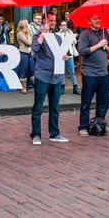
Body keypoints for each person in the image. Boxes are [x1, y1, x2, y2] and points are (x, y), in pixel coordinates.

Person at [30, 12, 69, 144]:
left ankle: (55, 133)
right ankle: (36, 134)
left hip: (56, 76)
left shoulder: (58, 38)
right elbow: (34, 48)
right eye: (49, 21)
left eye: (53, 21)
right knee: (38, 106)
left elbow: (64, 53)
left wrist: (64, 56)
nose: (51, 23)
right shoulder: (37, 36)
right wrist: (43, 32)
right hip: (42, 75)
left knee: (54, 107)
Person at [77, 14, 109, 136]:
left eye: (99, 18)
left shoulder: (104, 33)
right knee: (86, 101)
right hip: (89, 73)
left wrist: (107, 47)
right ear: (89, 21)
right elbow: (82, 51)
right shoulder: (85, 34)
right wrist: (98, 45)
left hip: (103, 72)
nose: (98, 21)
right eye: (95, 19)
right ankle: (83, 126)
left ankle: (100, 123)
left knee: (103, 101)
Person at [56, 21, 80, 95]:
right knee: (62, 72)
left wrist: (70, 34)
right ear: (59, 26)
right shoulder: (57, 34)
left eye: (65, 25)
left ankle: (75, 87)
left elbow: (75, 42)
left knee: (72, 72)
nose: (64, 27)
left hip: (69, 54)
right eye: (62, 25)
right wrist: (61, 33)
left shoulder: (69, 34)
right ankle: (62, 87)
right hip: (61, 55)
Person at [16, 19, 35, 94]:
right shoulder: (20, 34)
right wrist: (31, 39)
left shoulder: (27, 33)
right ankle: (23, 87)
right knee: (24, 70)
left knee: (32, 68)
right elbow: (29, 43)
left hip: (29, 52)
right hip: (23, 52)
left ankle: (31, 85)